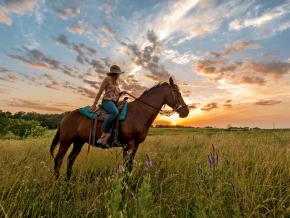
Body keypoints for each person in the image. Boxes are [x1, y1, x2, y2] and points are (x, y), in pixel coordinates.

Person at [89, 65, 127, 145]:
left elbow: (115, 95)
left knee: (122, 112)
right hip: (107, 102)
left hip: (114, 103)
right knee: (114, 112)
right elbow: (100, 91)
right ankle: (103, 136)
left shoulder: (117, 82)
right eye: (118, 73)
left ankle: (114, 137)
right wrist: (94, 104)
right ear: (115, 73)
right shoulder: (107, 79)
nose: (119, 75)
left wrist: (121, 93)